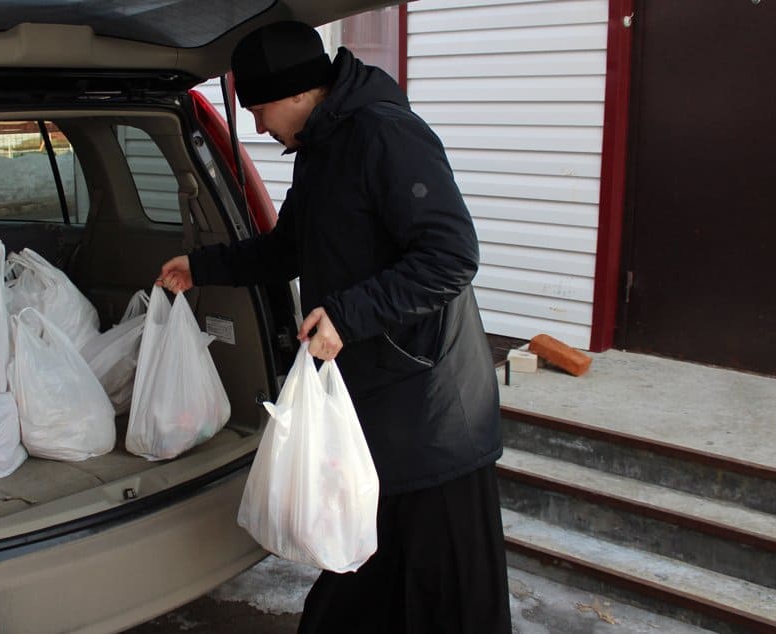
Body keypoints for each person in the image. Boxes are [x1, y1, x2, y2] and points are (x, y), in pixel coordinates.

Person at [158, 20, 511, 633]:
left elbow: (450, 256)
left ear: (297, 92)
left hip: (433, 417)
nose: (260, 126)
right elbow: (289, 248)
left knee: (449, 595)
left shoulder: (387, 136)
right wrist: (203, 265)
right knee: (363, 575)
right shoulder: (322, 147)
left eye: (260, 108)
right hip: (372, 407)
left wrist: (348, 314)